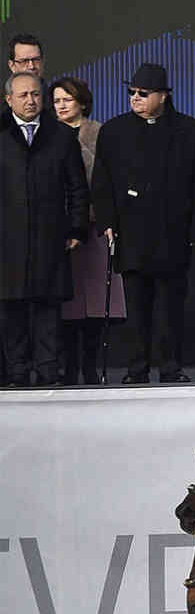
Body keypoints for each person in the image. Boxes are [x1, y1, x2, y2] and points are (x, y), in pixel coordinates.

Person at [91, 63, 195, 384]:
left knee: (170, 306)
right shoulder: (114, 131)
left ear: (163, 96)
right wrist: (106, 221)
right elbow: (102, 181)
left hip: (173, 232)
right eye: (132, 92)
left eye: (143, 93)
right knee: (136, 305)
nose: (135, 98)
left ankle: (170, 367)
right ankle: (137, 369)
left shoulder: (190, 132)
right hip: (131, 232)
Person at [0, 75, 88, 387]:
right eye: (23, 95)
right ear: (8, 99)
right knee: (11, 307)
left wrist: (77, 227)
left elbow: (77, 187)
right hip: (7, 239)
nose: (30, 100)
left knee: (48, 307)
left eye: (36, 94)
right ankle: (17, 371)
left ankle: (49, 370)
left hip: (50, 236)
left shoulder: (61, 135)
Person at [51, 78, 123, 385]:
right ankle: (68, 368)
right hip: (59, 229)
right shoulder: (47, 134)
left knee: (94, 304)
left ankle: (90, 368)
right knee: (65, 305)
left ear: (82, 102)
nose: (61, 105)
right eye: (56, 101)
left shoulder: (99, 132)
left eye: (67, 99)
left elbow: (107, 177)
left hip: (95, 227)